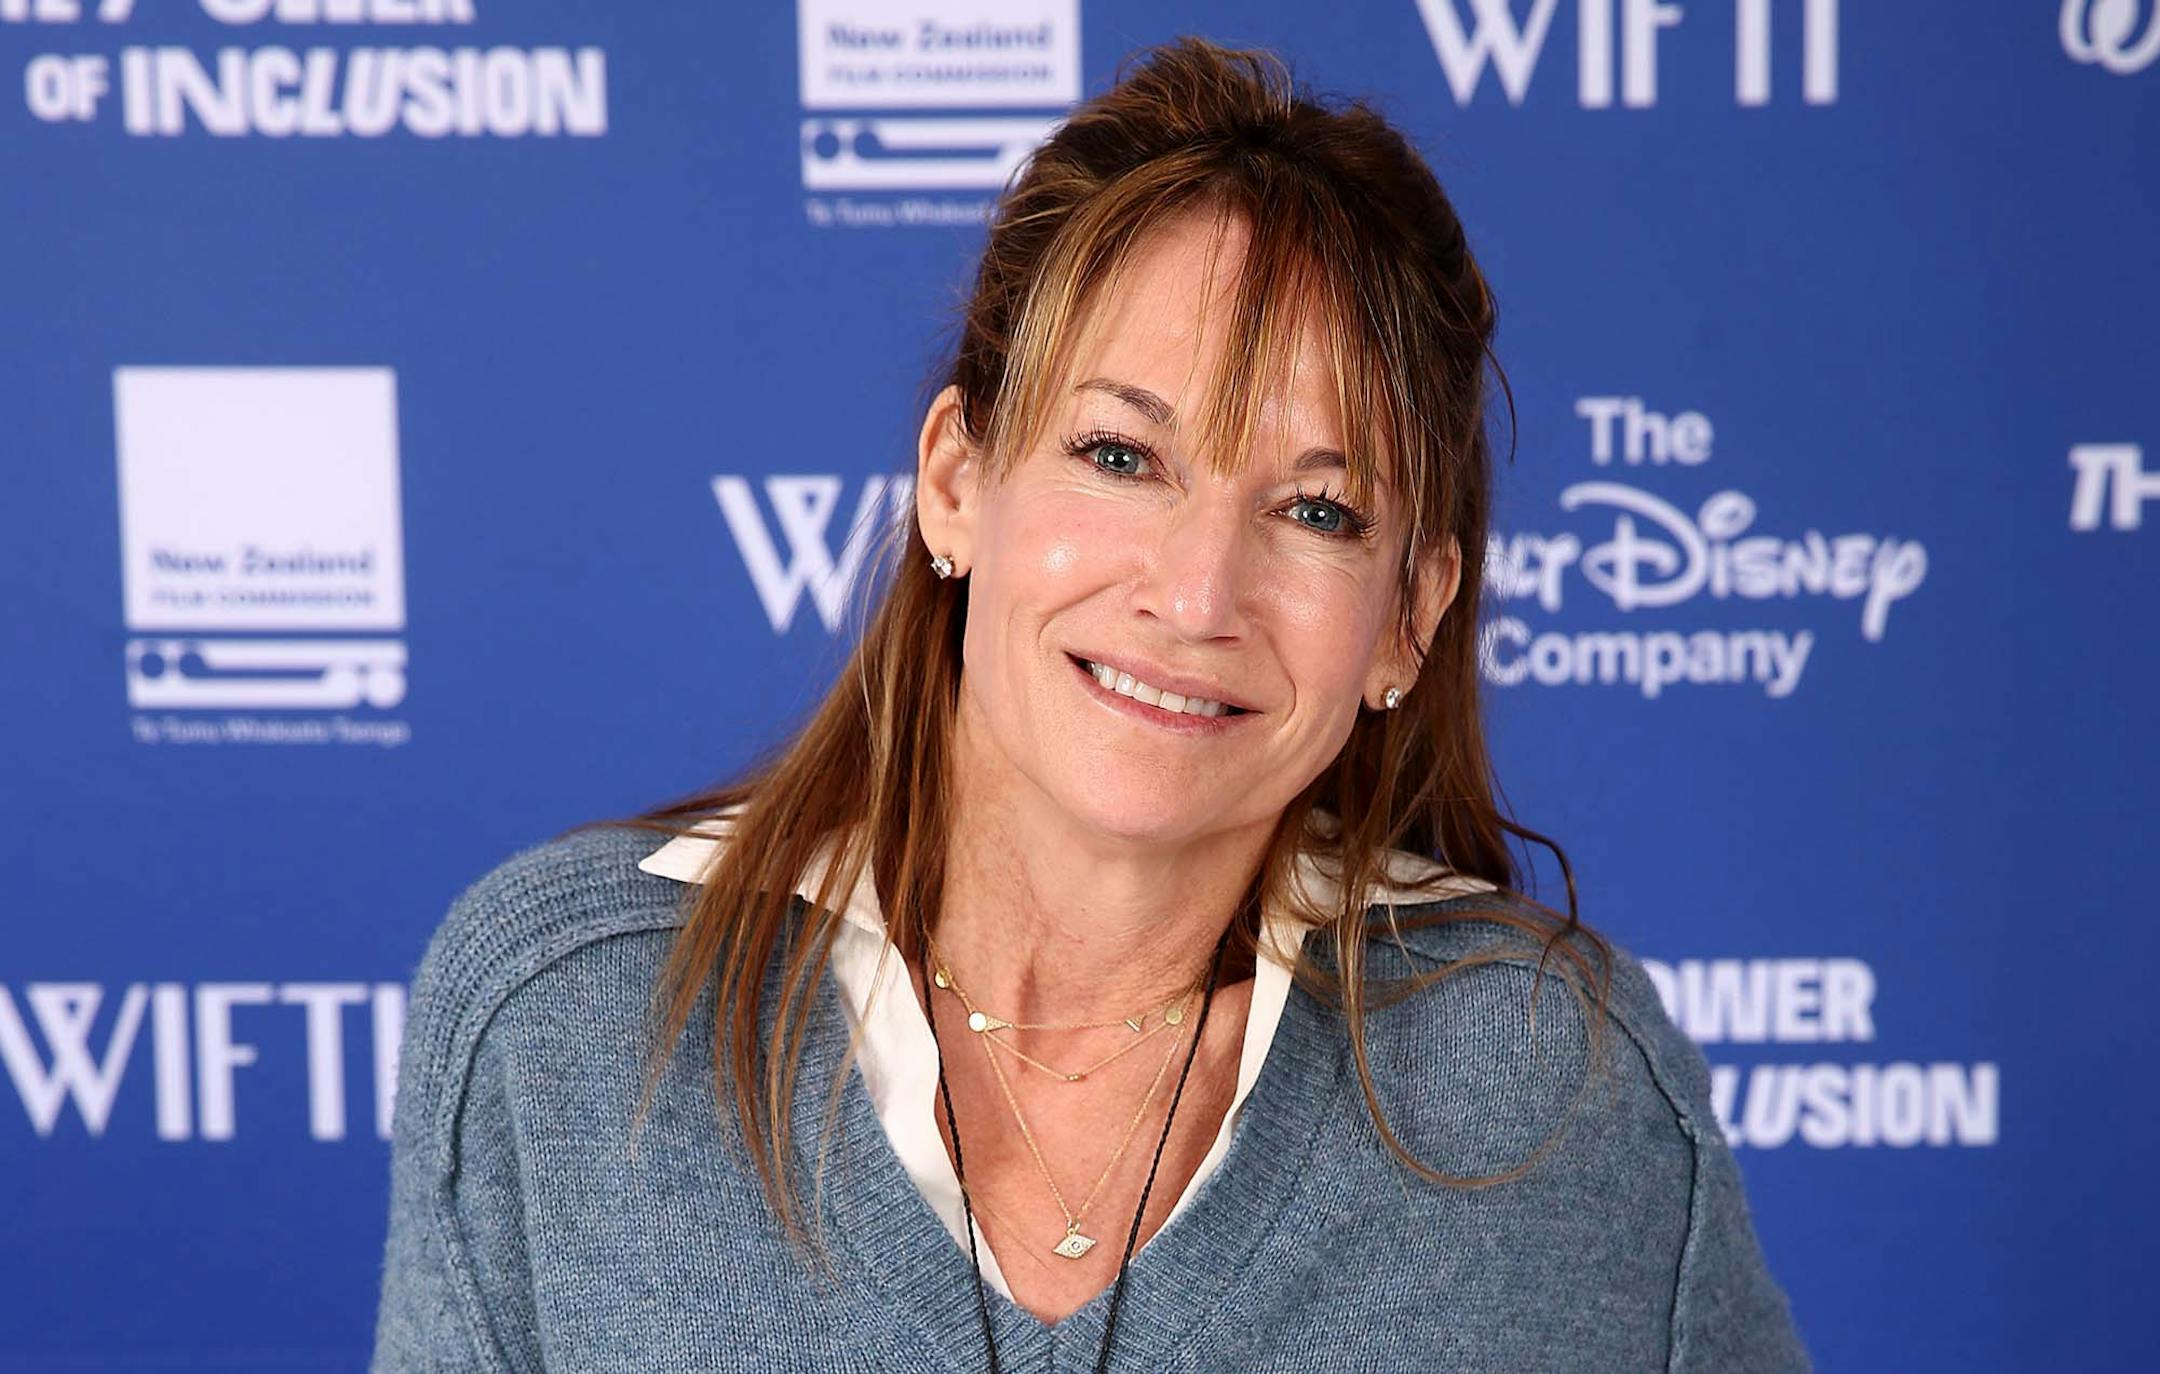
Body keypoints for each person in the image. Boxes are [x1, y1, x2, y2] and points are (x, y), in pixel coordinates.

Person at [370, 35, 1810, 1374]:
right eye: (1123, 456)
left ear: (1410, 618)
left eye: (1316, 507)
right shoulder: (564, 1017)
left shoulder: (1558, 1094)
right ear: (957, 481)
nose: (1197, 594)